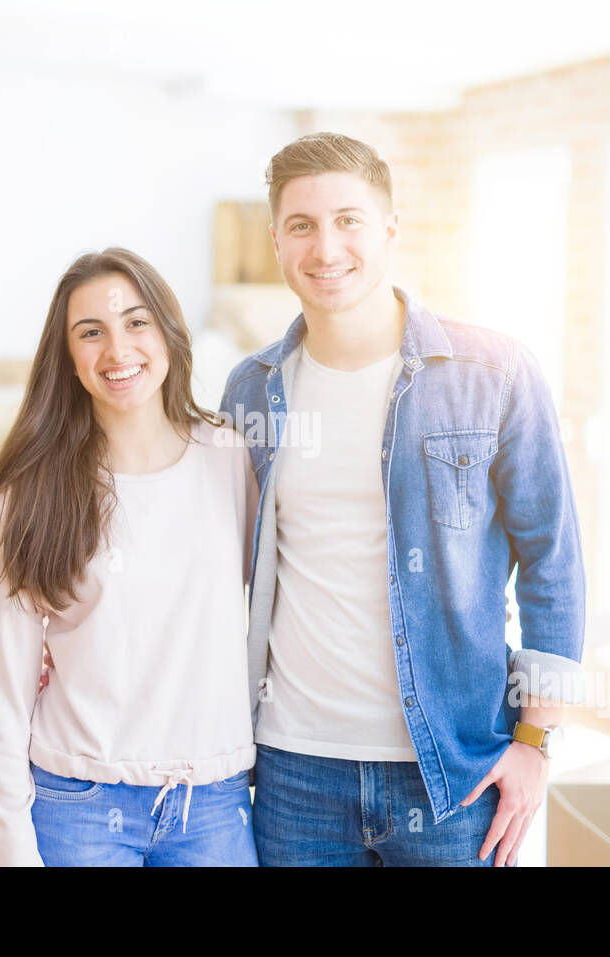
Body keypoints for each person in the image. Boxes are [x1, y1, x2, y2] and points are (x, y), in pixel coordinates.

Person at [219, 132, 586, 867]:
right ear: (277, 242)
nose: (327, 248)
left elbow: (553, 561)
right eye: (302, 225)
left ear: (389, 229)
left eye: (349, 220)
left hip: (453, 769)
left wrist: (536, 743)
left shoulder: (494, 372)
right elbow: (217, 564)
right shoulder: (252, 389)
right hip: (295, 770)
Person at [0, 247, 259, 867]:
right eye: (91, 333)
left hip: (215, 806)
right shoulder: (31, 495)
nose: (118, 351)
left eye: (136, 323)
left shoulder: (231, 459)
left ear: (169, 334)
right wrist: (9, 844)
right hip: (79, 808)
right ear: (67, 360)